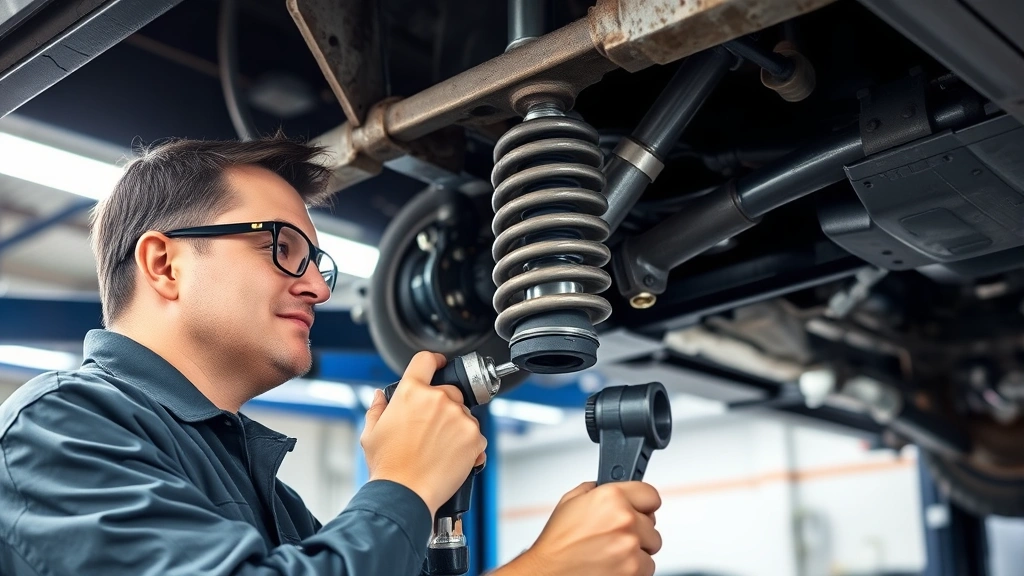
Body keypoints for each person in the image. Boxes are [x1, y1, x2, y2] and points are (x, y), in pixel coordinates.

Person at [0, 135, 663, 575]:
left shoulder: (264, 493)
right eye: (283, 246)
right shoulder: (58, 428)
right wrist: (404, 483)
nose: (318, 285)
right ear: (165, 263)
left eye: (317, 260)